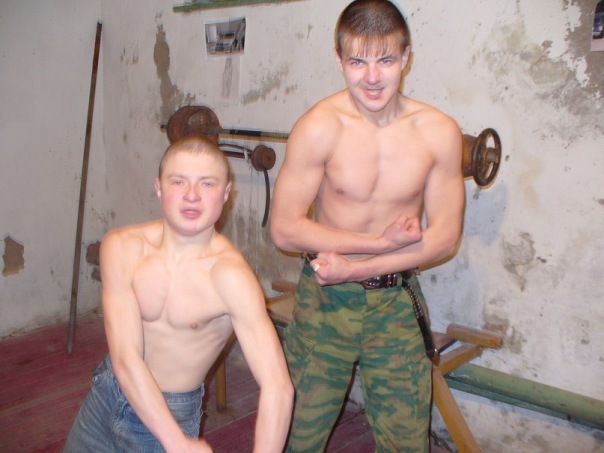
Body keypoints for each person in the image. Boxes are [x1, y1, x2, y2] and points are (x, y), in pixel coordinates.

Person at [270, 0, 465, 451]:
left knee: (406, 444)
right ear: (339, 58)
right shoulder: (318, 127)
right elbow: (284, 229)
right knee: (296, 435)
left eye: (386, 60)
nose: (372, 78)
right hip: (324, 301)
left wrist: (358, 267)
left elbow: (444, 237)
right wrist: (377, 242)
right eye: (357, 61)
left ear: (407, 57)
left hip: (395, 304)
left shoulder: (438, 132)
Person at [65, 137, 293, 453]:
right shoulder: (122, 247)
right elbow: (125, 357)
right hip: (107, 393)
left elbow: (278, 386)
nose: (191, 195)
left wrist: (175, 441)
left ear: (226, 192)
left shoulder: (231, 279)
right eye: (178, 181)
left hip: (171, 413)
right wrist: (178, 444)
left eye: (207, 183)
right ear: (158, 187)